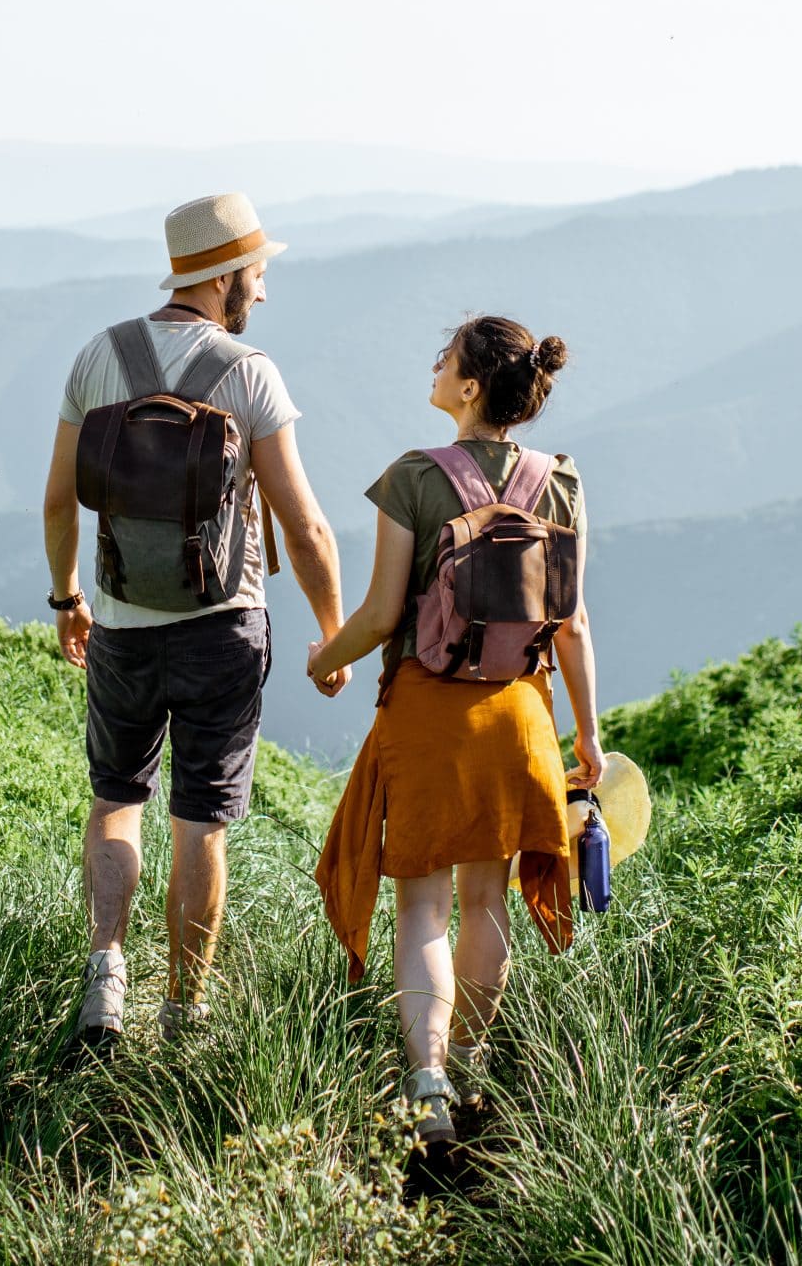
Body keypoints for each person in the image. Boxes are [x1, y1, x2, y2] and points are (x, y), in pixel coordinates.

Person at [41, 192, 347, 1044]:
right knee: (200, 819)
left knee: (114, 800)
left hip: (123, 624)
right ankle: (184, 1008)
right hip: (223, 625)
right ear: (225, 277)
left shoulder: (99, 357)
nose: (262, 289)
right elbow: (305, 522)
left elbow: (59, 501)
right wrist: (333, 631)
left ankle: (106, 974)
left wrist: (69, 597)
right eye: (257, 272)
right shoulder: (248, 372)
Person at [306, 315, 604, 1146]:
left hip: (430, 709)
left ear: (470, 387)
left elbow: (380, 613)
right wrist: (588, 733)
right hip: (520, 710)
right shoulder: (562, 481)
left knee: (423, 908)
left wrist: (320, 658)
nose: (434, 366)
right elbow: (572, 622)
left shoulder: (412, 477)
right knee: (487, 899)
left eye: (445, 358)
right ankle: (469, 1061)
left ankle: (427, 1079)